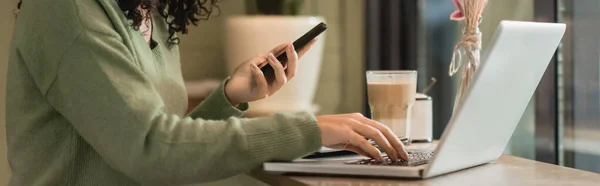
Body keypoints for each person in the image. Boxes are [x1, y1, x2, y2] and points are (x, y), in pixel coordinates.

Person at [6, 0, 408, 185]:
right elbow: (152, 149)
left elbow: (164, 148)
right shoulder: (65, 9)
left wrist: (229, 98)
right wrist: (308, 131)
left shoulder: (151, 17)